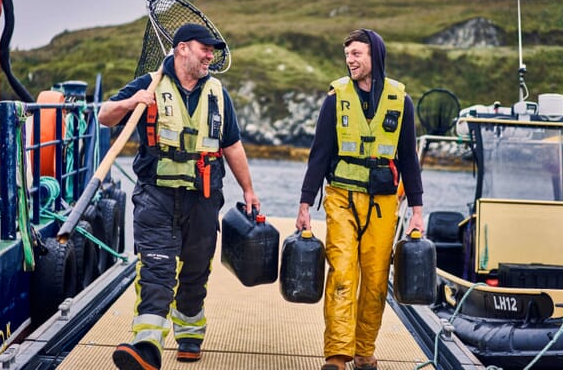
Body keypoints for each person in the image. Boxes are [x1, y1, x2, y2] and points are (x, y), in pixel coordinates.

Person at [100, 23, 260, 370]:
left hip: (203, 198)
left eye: (213, 50)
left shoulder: (218, 93)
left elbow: (231, 144)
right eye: (205, 49)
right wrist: (131, 102)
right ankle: (147, 346)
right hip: (155, 196)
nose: (211, 56)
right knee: (156, 269)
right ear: (182, 48)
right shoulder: (149, 84)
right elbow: (104, 116)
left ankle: (189, 333)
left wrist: (248, 190)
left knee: (195, 269)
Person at [295, 29, 424, 370]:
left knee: (376, 279)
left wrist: (417, 211)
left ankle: (364, 351)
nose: (350, 60)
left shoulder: (402, 101)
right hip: (341, 198)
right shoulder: (335, 99)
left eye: (357, 54)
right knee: (342, 271)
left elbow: (409, 161)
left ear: (375, 57)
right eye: (347, 54)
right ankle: (337, 354)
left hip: (384, 203)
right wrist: (305, 204)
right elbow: (318, 155)